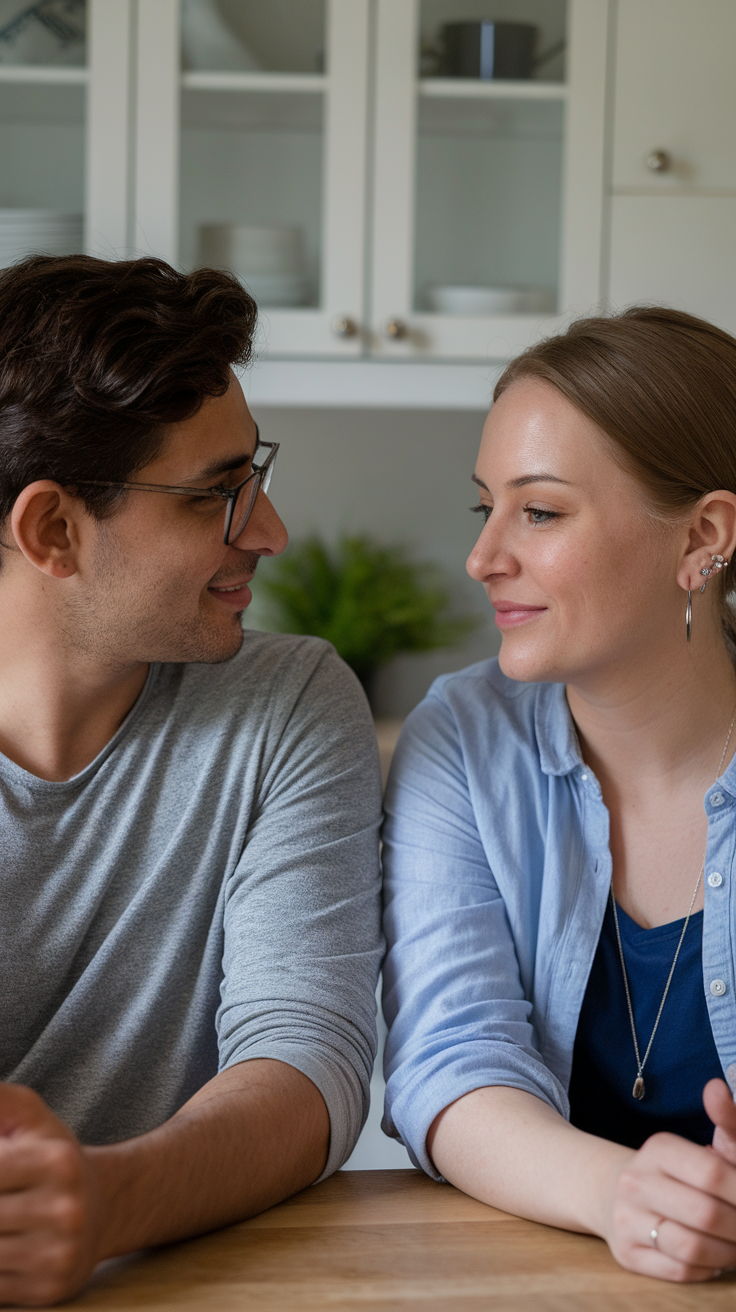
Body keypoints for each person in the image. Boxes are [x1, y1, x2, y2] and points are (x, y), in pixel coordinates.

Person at [0, 254, 382, 1306]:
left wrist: (104, 1204)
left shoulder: (288, 704)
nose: (268, 531)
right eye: (216, 495)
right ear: (53, 532)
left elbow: (310, 1065)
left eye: (252, 478)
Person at [382, 306, 736, 1283]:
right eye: (483, 507)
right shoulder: (462, 736)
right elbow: (449, 1063)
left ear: (703, 536)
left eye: (538, 511)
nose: (483, 556)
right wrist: (621, 1197)